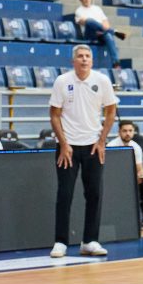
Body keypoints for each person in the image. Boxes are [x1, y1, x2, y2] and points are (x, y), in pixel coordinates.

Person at [48, 44, 117, 258]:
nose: (84, 59)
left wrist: (102, 141)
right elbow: (54, 115)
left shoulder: (102, 81)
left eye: (87, 56)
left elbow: (111, 111)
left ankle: (89, 241)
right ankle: (60, 242)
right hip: (67, 147)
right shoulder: (62, 81)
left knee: (94, 194)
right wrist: (63, 143)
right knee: (65, 194)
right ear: (73, 61)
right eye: (80, 56)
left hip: (93, 146)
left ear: (92, 61)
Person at [108, 121, 143, 232]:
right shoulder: (111, 146)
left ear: (134, 132)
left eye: (130, 131)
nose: (127, 133)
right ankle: (133, 220)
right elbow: (111, 172)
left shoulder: (136, 147)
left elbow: (140, 168)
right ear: (119, 132)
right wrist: (132, 178)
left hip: (131, 179)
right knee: (133, 186)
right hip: (116, 181)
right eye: (125, 131)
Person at [73, 0, 126, 69]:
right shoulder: (79, 10)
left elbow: (106, 24)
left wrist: (102, 30)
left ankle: (116, 63)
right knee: (90, 21)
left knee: (108, 35)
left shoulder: (97, 9)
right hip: (89, 34)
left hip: (101, 33)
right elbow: (84, 22)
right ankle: (114, 32)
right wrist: (100, 29)